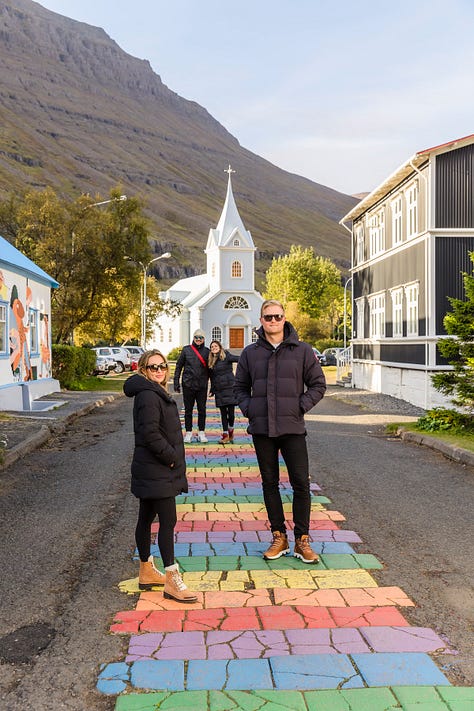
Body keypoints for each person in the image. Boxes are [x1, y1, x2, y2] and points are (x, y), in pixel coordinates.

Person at [234, 299, 326, 564]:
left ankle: (302, 540)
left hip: (292, 427)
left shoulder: (302, 351)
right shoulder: (250, 353)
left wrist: (300, 407)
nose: (272, 321)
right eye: (267, 317)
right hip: (262, 429)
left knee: (300, 483)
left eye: (277, 316)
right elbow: (239, 387)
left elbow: (318, 385)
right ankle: (279, 536)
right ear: (261, 321)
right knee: (269, 483)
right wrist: (250, 408)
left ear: (284, 318)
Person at [123, 349, 197, 603]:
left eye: (162, 366)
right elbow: (150, 434)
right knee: (168, 521)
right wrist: (172, 458)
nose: (159, 371)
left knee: (146, 517)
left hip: (151, 470)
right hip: (158, 469)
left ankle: (146, 571)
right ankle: (172, 579)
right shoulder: (148, 396)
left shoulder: (152, 392)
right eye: (152, 367)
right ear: (143, 370)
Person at [173, 329, 210, 443]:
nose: (198, 340)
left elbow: (211, 369)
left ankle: (201, 432)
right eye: (196, 337)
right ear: (193, 338)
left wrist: (213, 386)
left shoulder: (207, 351)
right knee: (188, 410)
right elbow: (179, 366)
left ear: (204, 339)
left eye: (201, 338)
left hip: (202, 385)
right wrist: (176, 382)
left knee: (202, 410)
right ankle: (188, 432)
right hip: (188, 384)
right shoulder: (186, 350)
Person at [208, 340, 240, 444]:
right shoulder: (211, 361)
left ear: (220, 347)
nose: (214, 348)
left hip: (230, 388)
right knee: (223, 413)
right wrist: (212, 390)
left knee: (231, 414)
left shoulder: (226, 355)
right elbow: (212, 377)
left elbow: (239, 359)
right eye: (212, 347)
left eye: (215, 346)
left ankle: (231, 431)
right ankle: (225, 435)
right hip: (219, 390)